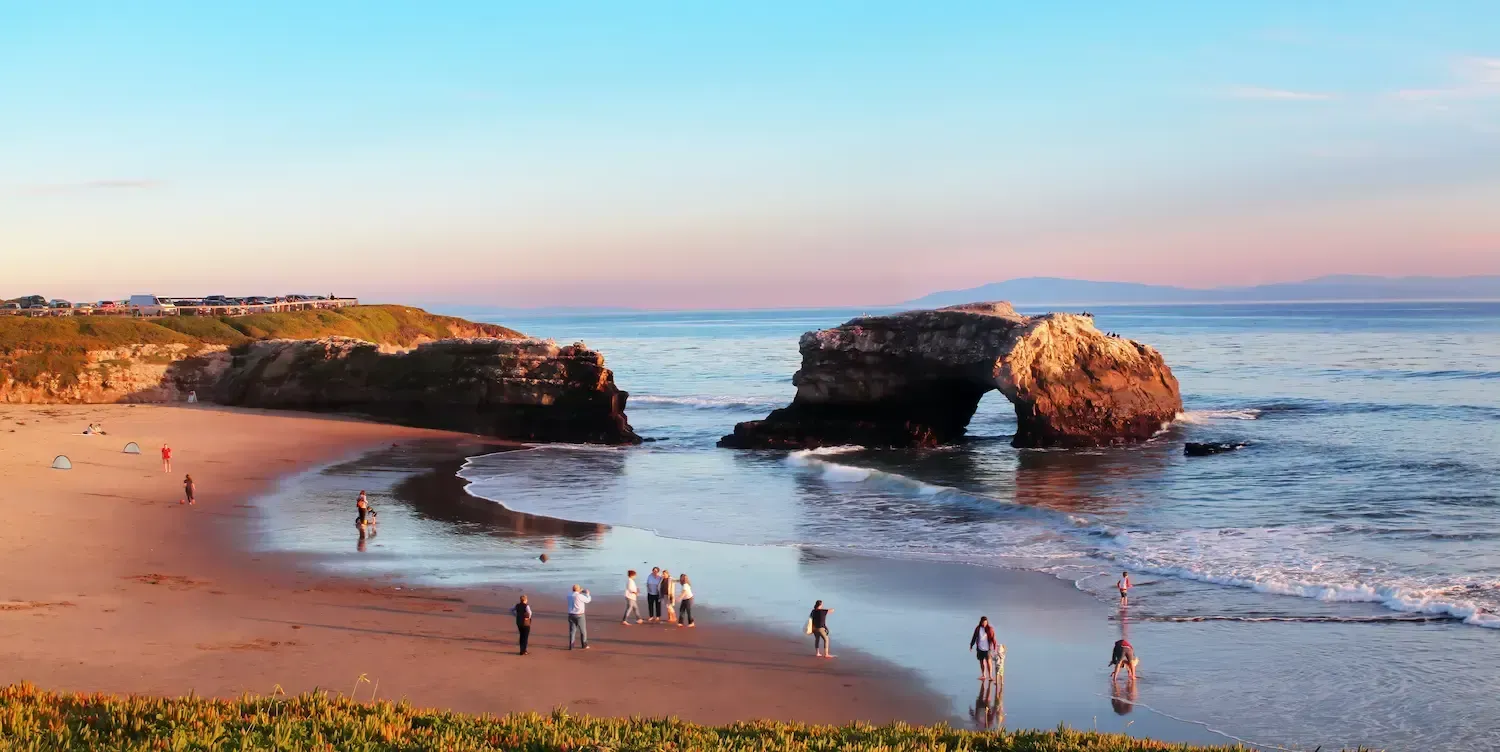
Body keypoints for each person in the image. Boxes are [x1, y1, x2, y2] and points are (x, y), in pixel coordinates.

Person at [969, 616, 998, 681]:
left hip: (987, 649)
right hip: (980, 648)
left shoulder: (990, 629)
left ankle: (990, 676)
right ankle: (983, 675)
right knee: (981, 662)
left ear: (987, 622)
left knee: (989, 662)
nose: (984, 623)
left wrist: (995, 647)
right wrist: (971, 645)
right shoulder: (978, 628)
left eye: (986, 622)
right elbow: (974, 637)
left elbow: (993, 639)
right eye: (983, 622)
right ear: (981, 622)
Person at [567, 584, 591, 649]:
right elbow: (588, 600)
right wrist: (588, 593)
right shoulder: (580, 596)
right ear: (578, 589)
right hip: (579, 615)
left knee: (572, 631)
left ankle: (571, 645)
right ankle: (584, 644)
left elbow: (575, 594)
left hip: (571, 614)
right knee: (583, 631)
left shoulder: (569, 594)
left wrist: (580, 591)